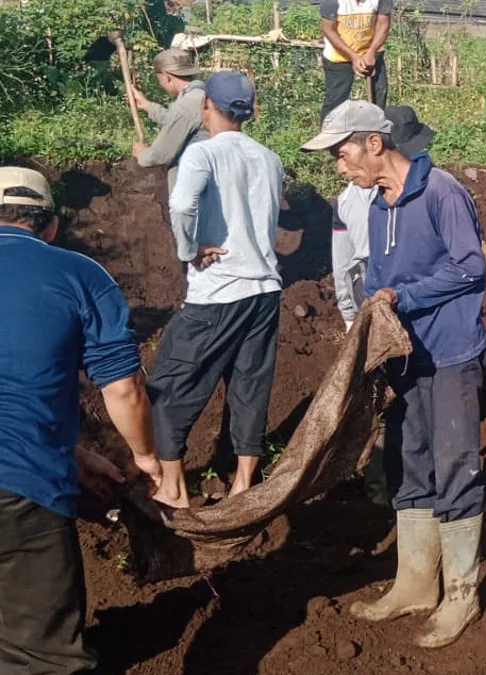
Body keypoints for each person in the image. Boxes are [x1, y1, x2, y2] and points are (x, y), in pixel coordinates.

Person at [301, 99, 486, 649]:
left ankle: (461, 594)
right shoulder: (377, 204)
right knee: (409, 459)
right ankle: (413, 583)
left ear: (374, 144)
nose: (340, 165)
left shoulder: (441, 192)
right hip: (405, 356)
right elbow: (378, 276)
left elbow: (471, 267)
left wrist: (403, 295)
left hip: (450, 351)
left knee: (454, 461)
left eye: (342, 152)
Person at [0, 166, 162, 672]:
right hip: (18, 485)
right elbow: (122, 386)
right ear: (50, 226)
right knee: (38, 655)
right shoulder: (77, 273)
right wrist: (146, 457)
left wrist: (70, 452)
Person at [149, 72, 284, 508]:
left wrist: (189, 250)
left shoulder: (201, 154)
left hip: (219, 290)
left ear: (206, 103)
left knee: (170, 384)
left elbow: (182, 204)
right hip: (264, 290)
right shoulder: (269, 158)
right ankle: (244, 482)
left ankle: (173, 488)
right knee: (249, 383)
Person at [330, 104, 435, 509]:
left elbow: (343, 267)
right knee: (413, 399)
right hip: (406, 307)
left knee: (378, 399)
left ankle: (381, 491)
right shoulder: (405, 189)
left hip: (371, 311)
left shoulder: (346, 199)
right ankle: (415, 489)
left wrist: (350, 317)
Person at [130, 48, 209, 193]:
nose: (161, 85)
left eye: (160, 80)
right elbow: (178, 121)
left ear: (166, 77)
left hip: (191, 189)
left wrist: (142, 154)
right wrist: (148, 106)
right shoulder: (200, 95)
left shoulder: (185, 105)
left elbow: (160, 154)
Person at [319, 0, 392, 121]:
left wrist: (371, 52)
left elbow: (383, 24)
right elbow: (328, 29)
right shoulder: (333, 2)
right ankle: (329, 135)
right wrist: (354, 56)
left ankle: (375, 133)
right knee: (336, 102)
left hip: (370, 53)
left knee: (378, 98)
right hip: (339, 56)